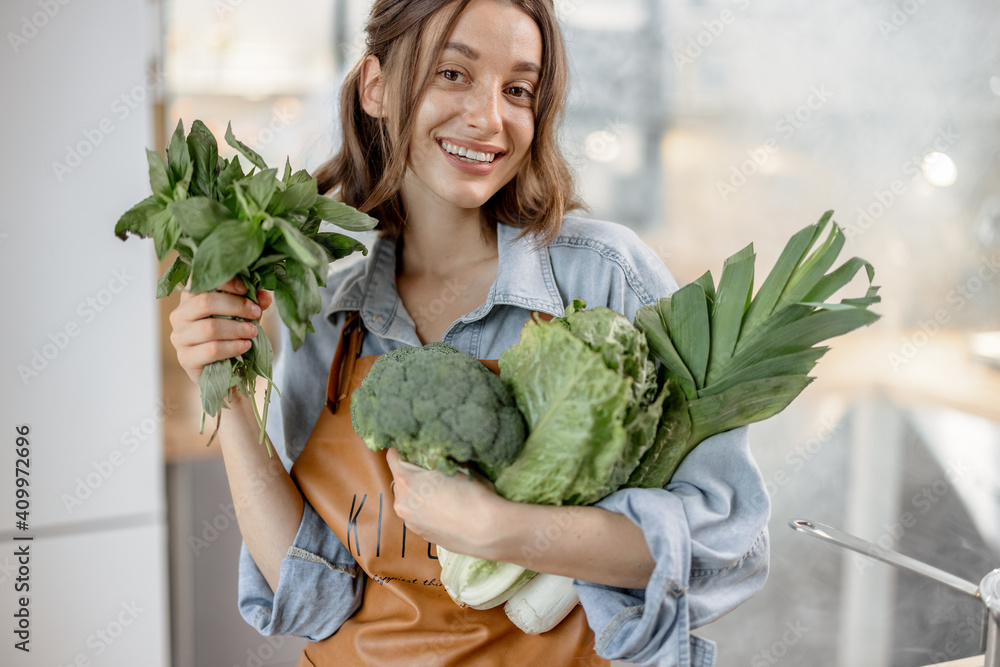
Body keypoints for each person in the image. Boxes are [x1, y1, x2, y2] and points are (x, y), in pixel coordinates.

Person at [168, 0, 770, 664]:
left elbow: (728, 545)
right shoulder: (332, 308)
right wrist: (225, 394)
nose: (489, 117)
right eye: (452, 74)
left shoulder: (604, 279)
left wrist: (507, 530)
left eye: (518, 89)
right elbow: (311, 598)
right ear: (376, 87)